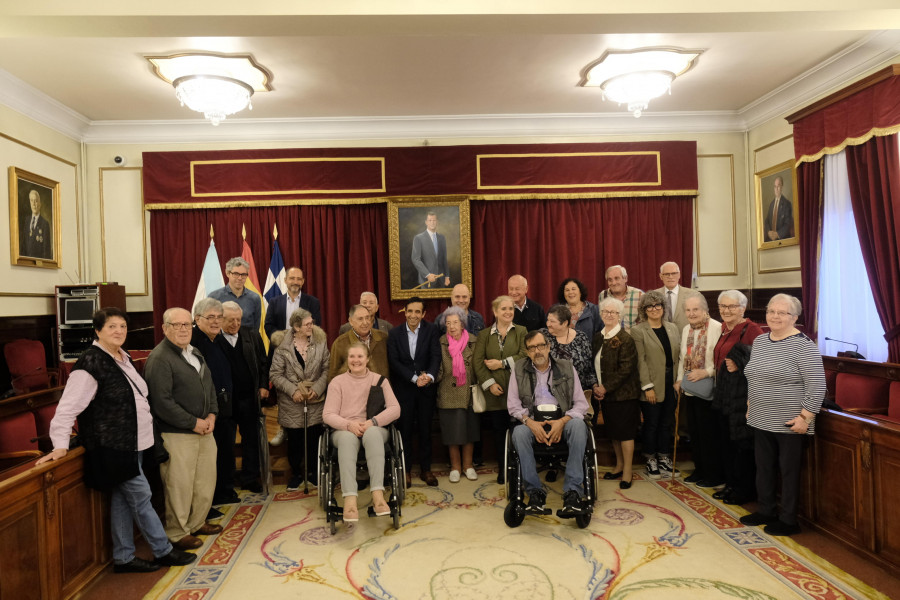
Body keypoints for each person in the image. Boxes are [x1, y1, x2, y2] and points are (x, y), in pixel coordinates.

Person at [36, 308, 197, 572]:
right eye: (112, 327)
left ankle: (123, 558)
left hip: (137, 443)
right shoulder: (90, 363)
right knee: (142, 496)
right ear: (97, 331)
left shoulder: (123, 357)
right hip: (112, 447)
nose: (119, 332)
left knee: (123, 500)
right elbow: (67, 409)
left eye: (122, 326)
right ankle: (163, 550)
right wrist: (60, 445)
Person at [741, 294, 825, 536]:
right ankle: (766, 510)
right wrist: (749, 404)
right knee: (763, 467)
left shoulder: (804, 346)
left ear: (795, 318)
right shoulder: (760, 341)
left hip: (791, 421)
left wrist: (805, 417)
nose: (775, 316)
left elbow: (817, 385)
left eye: (782, 313)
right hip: (760, 416)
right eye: (771, 311)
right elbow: (753, 376)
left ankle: (789, 520)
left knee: (788, 472)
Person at [144, 307, 220, 551]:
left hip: (205, 429)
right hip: (177, 434)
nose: (183, 329)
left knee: (204, 481)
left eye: (187, 324)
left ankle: (197, 522)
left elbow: (209, 386)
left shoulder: (194, 352)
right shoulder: (160, 358)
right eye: (177, 325)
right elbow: (161, 402)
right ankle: (177, 532)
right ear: (165, 328)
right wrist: (193, 422)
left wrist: (212, 414)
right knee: (180, 485)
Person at [507, 330, 590, 516]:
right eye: (532, 348)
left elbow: (581, 404)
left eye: (541, 346)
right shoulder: (519, 368)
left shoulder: (567, 367)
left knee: (579, 425)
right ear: (527, 352)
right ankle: (535, 492)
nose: (537, 351)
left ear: (549, 346)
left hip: (562, 419)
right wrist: (530, 422)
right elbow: (513, 405)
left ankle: (572, 492)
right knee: (518, 433)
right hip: (532, 420)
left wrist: (562, 421)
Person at [323, 343, 401, 522]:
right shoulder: (338, 382)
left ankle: (378, 496)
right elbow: (327, 414)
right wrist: (348, 424)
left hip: (374, 427)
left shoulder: (380, 380)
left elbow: (395, 409)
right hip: (344, 429)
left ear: (367, 359)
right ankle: (350, 499)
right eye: (352, 357)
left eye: (360, 357)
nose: (356, 360)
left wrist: (372, 422)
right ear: (347, 360)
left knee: (372, 434)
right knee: (348, 439)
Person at [711, 290, 764, 505]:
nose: (726, 310)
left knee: (741, 445)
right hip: (725, 395)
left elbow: (760, 362)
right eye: (723, 306)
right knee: (727, 443)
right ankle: (731, 484)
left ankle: (744, 489)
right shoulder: (724, 329)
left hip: (743, 397)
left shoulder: (752, 330)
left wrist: (739, 365)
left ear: (743, 308)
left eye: (732, 306)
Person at [270, 308, 330, 490]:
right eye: (307, 324)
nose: (311, 326)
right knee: (295, 440)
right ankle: (296, 474)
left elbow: (327, 369)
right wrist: (293, 390)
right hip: (291, 402)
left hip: (315, 400)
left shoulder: (320, 342)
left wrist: (318, 389)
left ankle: (313, 472)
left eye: (312, 323)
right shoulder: (282, 346)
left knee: (313, 438)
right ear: (296, 327)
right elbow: (275, 374)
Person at [190, 297, 240, 506]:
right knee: (213, 458)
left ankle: (225, 491)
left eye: (219, 317)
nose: (215, 321)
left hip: (225, 408)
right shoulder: (193, 342)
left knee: (226, 452)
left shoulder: (218, 339)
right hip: (206, 411)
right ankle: (213, 498)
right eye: (210, 317)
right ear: (197, 319)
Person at [387, 297, 441, 487]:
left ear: (423, 314)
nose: (413, 315)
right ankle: (406, 470)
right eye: (410, 311)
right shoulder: (394, 334)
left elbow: (436, 356)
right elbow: (394, 362)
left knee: (426, 430)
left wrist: (430, 377)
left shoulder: (432, 330)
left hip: (426, 388)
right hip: (404, 389)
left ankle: (426, 470)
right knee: (405, 430)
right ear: (405, 311)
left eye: (417, 312)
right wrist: (413, 378)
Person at [473, 295, 527, 483]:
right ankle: (504, 469)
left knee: (519, 431)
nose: (508, 312)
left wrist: (501, 363)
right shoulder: (484, 335)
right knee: (499, 433)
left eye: (511, 309)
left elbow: (524, 356)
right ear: (495, 312)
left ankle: (520, 468)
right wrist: (489, 385)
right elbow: (478, 363)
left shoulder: (521, 331)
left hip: (518, 392)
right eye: (503, 309)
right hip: (495, 393)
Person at [630, 291, 681, 480]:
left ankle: (664, 457)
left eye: (657, 305)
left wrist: (679, 380)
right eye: (649, 306)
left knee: (666, 423)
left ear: (663, 307)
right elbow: (640, 361)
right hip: (651, 384)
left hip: (671, 383)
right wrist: (647, 387)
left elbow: (678, 357)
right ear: (644, 310)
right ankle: (650, 458)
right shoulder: (638, 330)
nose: (654, 309)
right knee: (652, 424)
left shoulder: (673, 328)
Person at [592, 297, 641, 489]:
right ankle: (619, 465)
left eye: (613, 312)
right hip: (605, 395)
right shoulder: (598, 337)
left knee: (625, 433)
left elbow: (626, 369)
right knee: (614, 432)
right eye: (605, 312)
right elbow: (593, 364)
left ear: (620, 315)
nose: (609, 315)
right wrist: (596, 386)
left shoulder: (625, 338)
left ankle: (627, 471)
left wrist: (605, 387)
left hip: (624, 395)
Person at [220, 301, 268, 493]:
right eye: (230, 320)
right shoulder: (214, 339)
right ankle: (227, 483)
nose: (235, 324)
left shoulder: (252, 335)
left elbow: (264, 364)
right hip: (225, 402)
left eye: (238, 320)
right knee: (227, 443)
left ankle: (250, 478)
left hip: (249, 398)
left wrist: (264, 385)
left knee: (251, 441)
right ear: (221, 319)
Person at [676, 294, 723, 488]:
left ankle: (713, 475)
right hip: (690, 389)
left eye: (695, 309)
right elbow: (682, 358)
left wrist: (706, 372)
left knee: (709, 435)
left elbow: (720, 361)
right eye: (688, 310)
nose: (691, 313)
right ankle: (699, 470)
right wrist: (679, 379)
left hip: (709, 389)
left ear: (705, 310)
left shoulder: (717, 328)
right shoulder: (686, 329)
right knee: (694, 433)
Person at [436, 306, 479, 483]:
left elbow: (478, 366)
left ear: (462, 324)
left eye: (455, 322)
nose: (452, 326)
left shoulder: (474, 341)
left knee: (469, 431)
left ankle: (468, 466)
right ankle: (455, 467)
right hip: (448, 391)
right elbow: (436, 367)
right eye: (448, 323)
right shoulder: (440, 342)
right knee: (452, 433)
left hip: (469, 391)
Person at [539, 304, 595, 404]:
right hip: (550, 395)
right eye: (548, 320)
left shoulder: (581, 337)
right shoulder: (542, 336)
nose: (548, 324)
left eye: (552, 321)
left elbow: (589, 367)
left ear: (564, 323)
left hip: (580, 394)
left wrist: (594, 385)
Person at [329, 304, 389, 380]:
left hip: (380, 388)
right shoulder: (340, 343)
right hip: (352, 390)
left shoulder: (383, 338)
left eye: (367, 318)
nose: (365, 322)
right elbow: (333, 376)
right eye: (360, 319)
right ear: (351, 321)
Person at [264, 267, 322, 337]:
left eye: (299, 279)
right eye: (292, 278)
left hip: (305, 345)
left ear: (303, 281)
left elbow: (315, 326)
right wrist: (281, 340)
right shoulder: (274, 302)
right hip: (279, 345)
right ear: (285, 280)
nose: (295, 282)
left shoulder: (313, 302)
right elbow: (268, 326)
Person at [209, 257, 262, 330]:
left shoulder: (255, 298)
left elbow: (255, 328)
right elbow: (210, 324)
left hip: (247, 340)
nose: (240, 278)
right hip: (221, 340)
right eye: (236, 274)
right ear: (227, 273)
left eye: (243, 274)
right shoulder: (214, 297)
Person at [411, 211, 450, 288]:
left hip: (441, 280)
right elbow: (415, 259)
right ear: (426, 222)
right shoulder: (418, 238)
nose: (432, 223)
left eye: (434, 220)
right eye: (430, 220)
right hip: (426, 281)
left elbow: (444, 259)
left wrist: (447, 276)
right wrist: (427, 274)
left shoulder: (441, 238)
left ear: (437, 222)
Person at [598, 265, 643, 331]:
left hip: (633, 339)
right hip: (610, 339)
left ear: (625, 278)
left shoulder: (639, 295)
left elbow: (645, 322)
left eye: (617, 278)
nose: (613, 283)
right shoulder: (603, 295)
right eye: (610, 280)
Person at [654, 261, 690, 333]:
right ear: (661, 276)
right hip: (661, 338)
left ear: (679, 275)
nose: (670, 277)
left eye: (674, 273)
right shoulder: (653, 295)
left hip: (686, 337)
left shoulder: (693, 295)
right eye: (667, 274)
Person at [20, 189, 52, 259]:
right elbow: (24, 246)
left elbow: (46, 252)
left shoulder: (45, 224)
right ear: (30, 203)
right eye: (32, 201)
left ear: (40, 204)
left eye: (36, 201)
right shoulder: (27, 220)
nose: (34, 204)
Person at [764, 176, 793, 241]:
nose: (776, 189)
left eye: (778, 186)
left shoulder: (787, 204)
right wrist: (769, 232)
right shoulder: (771, 204)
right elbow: (766, 221)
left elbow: (787, 224)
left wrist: (777, 234)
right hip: (770, 240)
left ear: (782, 187)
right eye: (775, 186)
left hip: (782, 239)